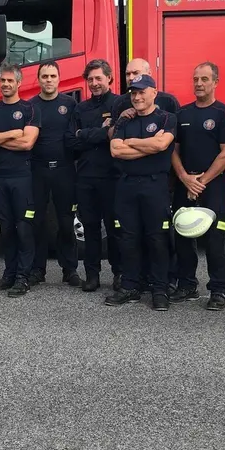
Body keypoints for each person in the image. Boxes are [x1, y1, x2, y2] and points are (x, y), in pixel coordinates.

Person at [106, 74, 176, 311]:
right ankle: (130, 286)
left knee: (157, 238)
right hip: (127, 185)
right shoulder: (125, 121)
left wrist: (132, 143)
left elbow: (162, 145)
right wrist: (147, 145)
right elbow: (116, 150)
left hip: (154, 185)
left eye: (141, 92)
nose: (136, 97)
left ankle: (159, 289)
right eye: (133, 93)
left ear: (154, 92)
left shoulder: (167, 118)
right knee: (128, 238)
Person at [170, 62, 225, 310]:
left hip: (213, 184)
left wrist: (201, 181)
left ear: (215, 82)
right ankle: (187, 285)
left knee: (215, 239)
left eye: (205, 79)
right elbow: (173, 151)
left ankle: (218, 289)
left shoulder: (224, 114)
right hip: (185, 182)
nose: (199, 84)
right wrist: (185, 178)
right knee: (183, 236)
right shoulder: (182, 114)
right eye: (196, 79)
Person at [0, 62, 40, 297]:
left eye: (9, 81)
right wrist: (13, 133)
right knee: (6, 229)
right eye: (2, 80)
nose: (5, 84)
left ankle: (23, 277)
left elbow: (27, 143)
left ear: (18, 82)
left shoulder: (29, 109)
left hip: (22, 178)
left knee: (23, 228)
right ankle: (9, 273)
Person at [70, 59, 123, 292]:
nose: (94, 83)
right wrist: (102, 133)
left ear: (109, 78)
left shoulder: (119, 104)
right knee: (90, 229)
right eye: (90, 79)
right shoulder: (80, 108)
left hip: (112, 177)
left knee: (114, 229)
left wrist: (86, 134)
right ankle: (92, 275)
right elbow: (71, 141)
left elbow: (118, 135)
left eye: (98, 78)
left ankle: (119, 274)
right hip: (86, 178)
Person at [28, 62, 80, 287]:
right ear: (38, 80)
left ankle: (70, 270)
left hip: (65, 169)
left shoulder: (70, 104)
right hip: (37, 170)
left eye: (52, 76)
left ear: (59, 79)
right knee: (37, 222)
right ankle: (37, 269)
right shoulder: (31, 106)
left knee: (66, 222)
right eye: (44, 76)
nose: (48, 80)